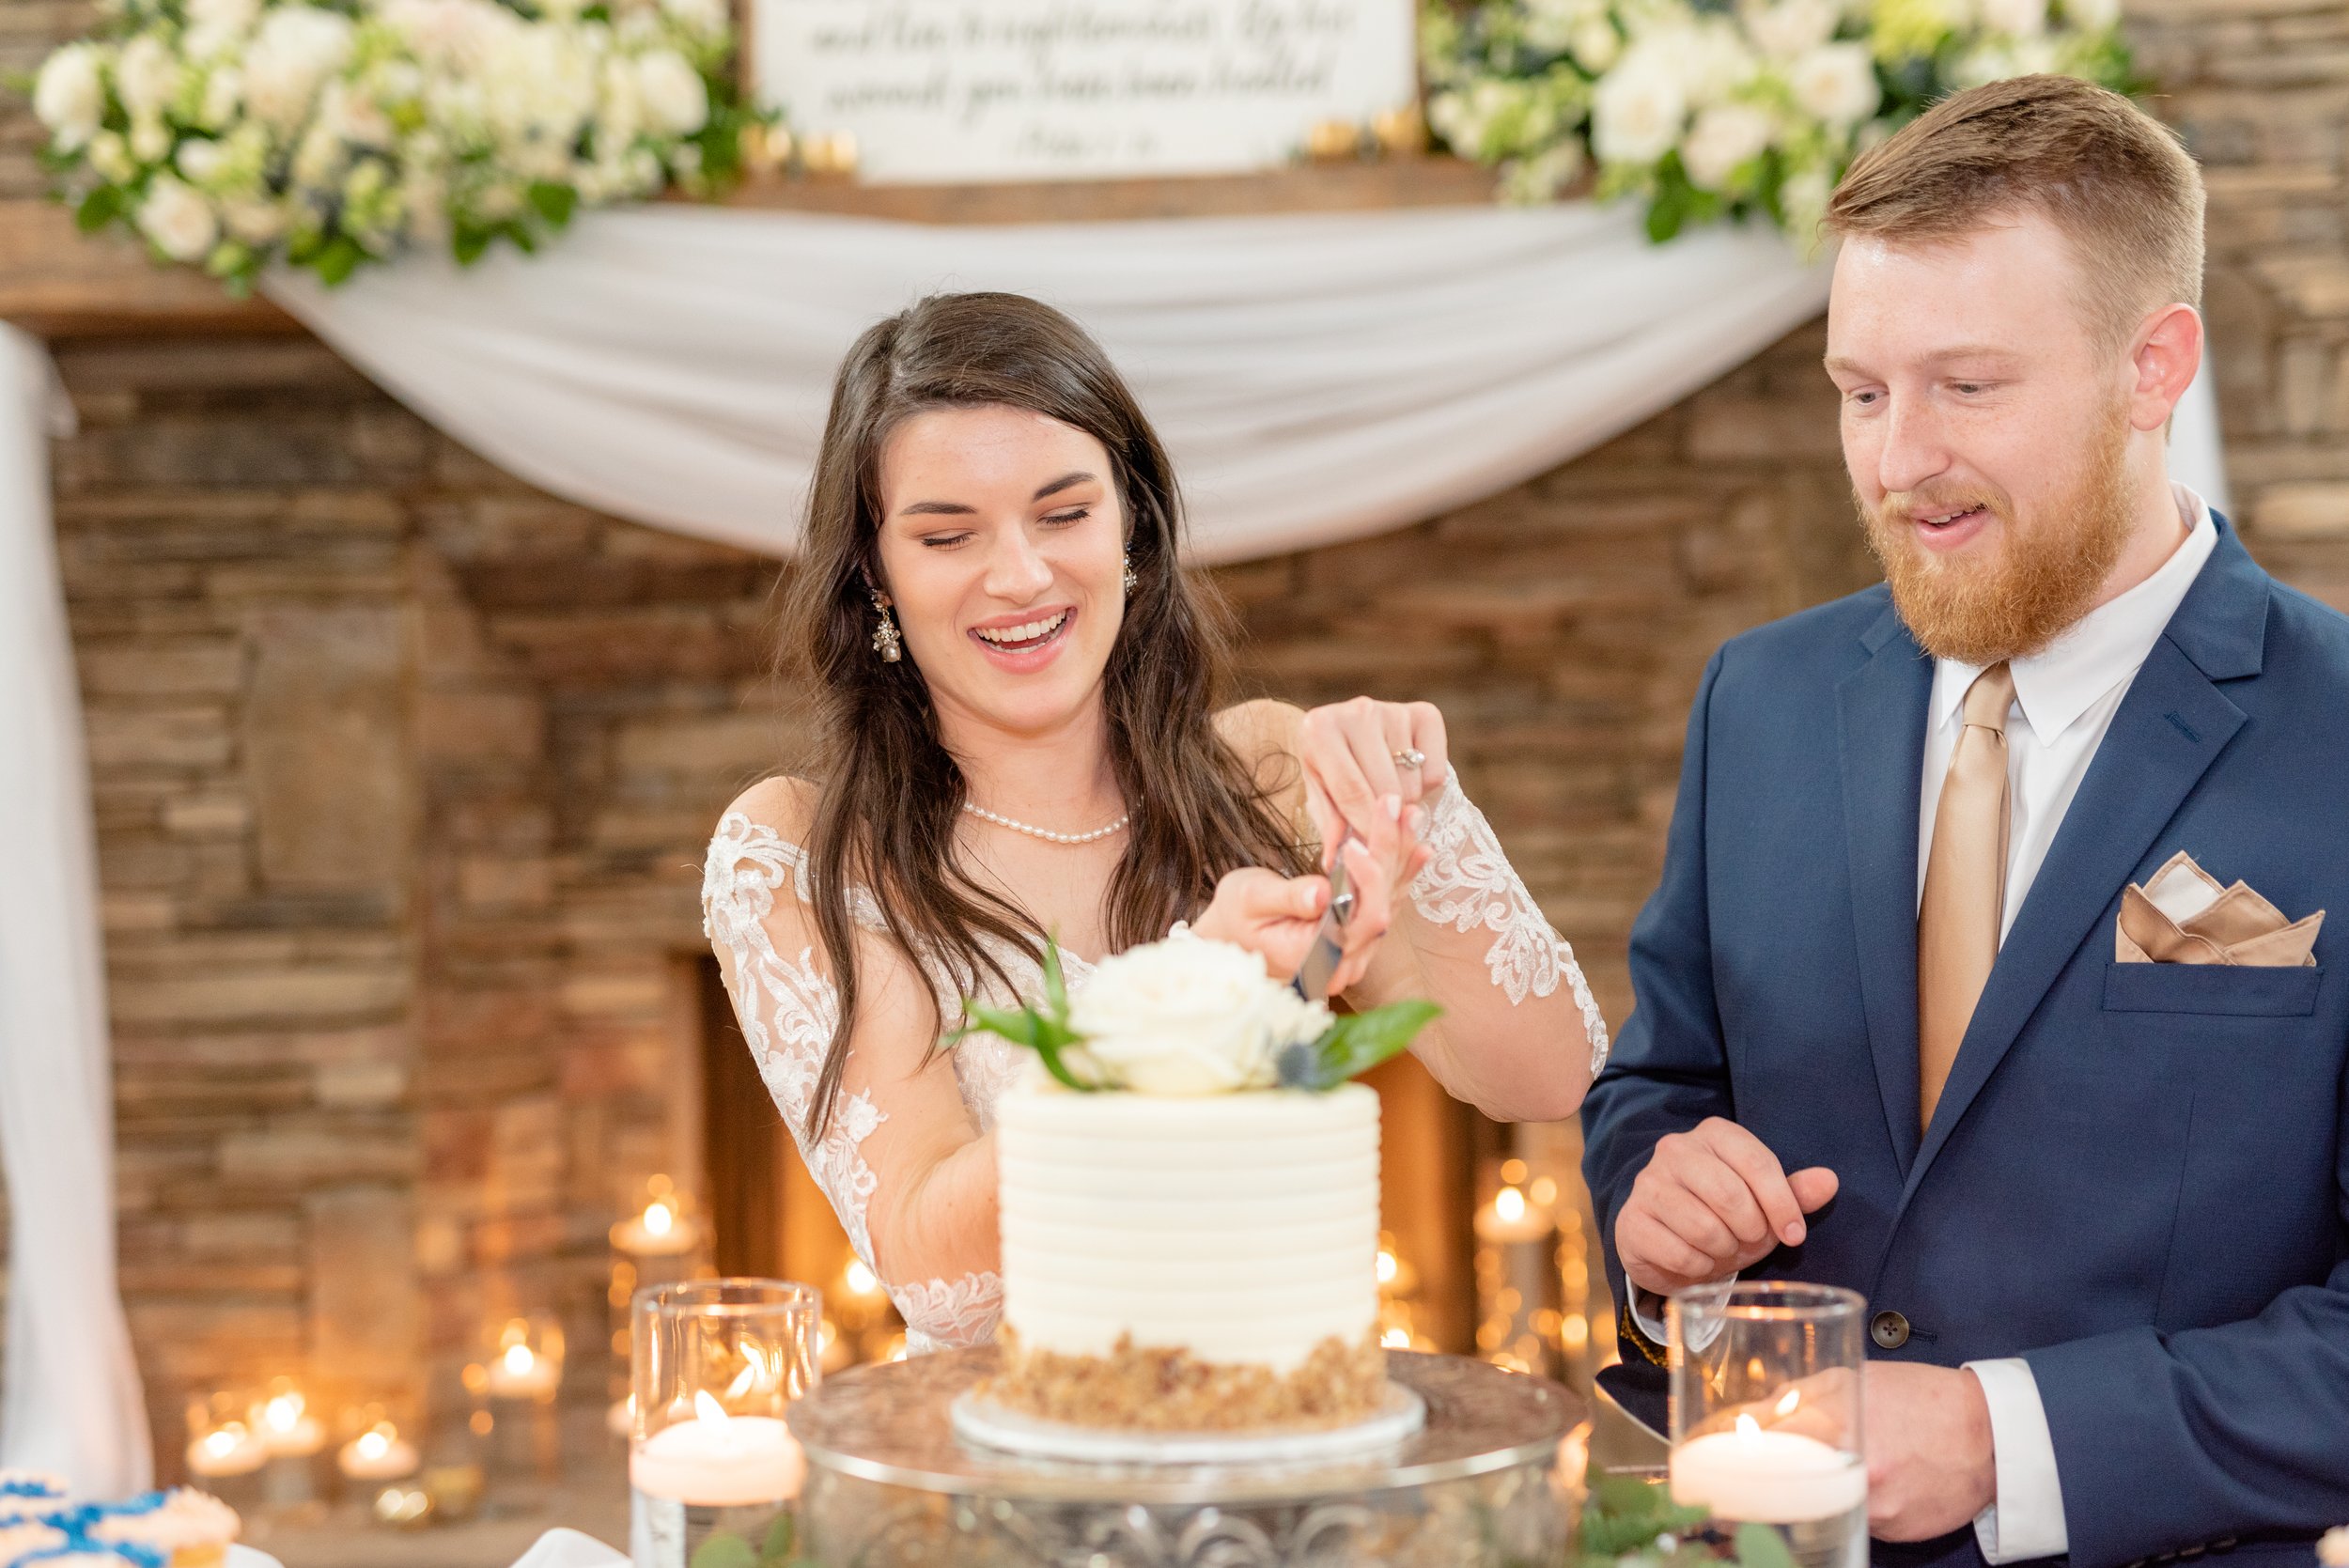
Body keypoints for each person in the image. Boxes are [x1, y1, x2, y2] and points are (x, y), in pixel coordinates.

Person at [1582, 75, 2349, 1568]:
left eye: (1966, 387)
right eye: (1861, 391)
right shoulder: (1763, 697)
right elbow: (1659, 1085)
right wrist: (1650, 1212)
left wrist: (2008, 1438)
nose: (1895, 460)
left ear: (2155, 367)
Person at [702, 291, 1610, 1354]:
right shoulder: (801, 852)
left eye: (1065, 513)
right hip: (1015, 1463)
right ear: (875, 571)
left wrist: (1414, 818)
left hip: (1287, 1412)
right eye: (947, 534)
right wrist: (1181, 1011)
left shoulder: (1265, 771)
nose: (1021, 576)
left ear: (1130, 522)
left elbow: (1551, 1076)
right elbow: (939, 1275)